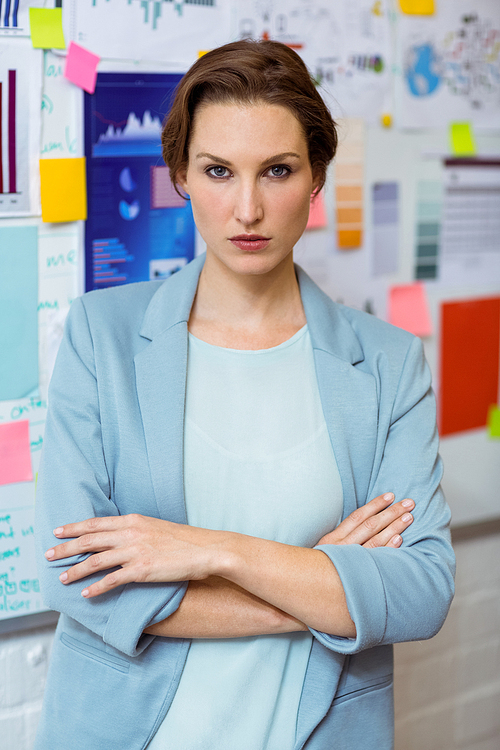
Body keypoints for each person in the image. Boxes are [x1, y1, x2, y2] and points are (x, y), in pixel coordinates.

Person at [34, 40, 455, 750]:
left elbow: (421, 591)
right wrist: (322, 582)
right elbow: (76, 579)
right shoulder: (101, 337)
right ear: (181, 175)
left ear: (317, 177)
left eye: (279, 171)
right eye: (219, 171)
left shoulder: (387, 364)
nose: (248, 207)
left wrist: (212, 551)